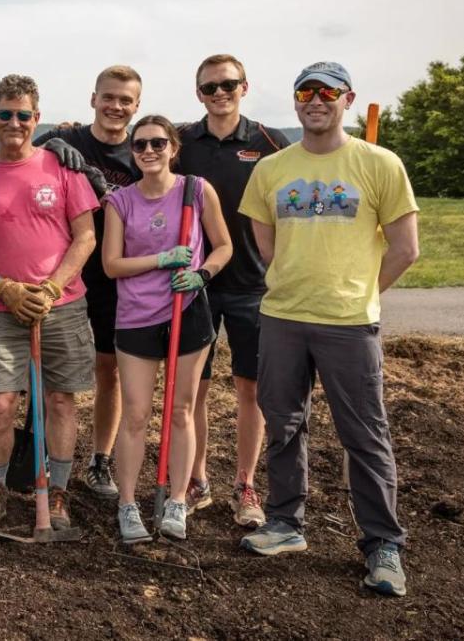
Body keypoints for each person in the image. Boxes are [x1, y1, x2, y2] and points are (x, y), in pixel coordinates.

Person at [238, 62, 419, 598]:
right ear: (295, 101)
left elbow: (406, 249)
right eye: (305, 92)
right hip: (283, 318)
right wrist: (297, 282)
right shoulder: (271, 169)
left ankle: (383, 543)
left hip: (348, 324)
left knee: (364, 435)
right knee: (283, 423)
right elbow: (266, 242)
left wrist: (360, 291)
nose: (315, 100)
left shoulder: (379, 163)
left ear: (348, 98)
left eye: (327, 92)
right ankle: (285, 524)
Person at [0, 74, 99, 531]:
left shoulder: (62, 169)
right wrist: (4, 288)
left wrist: (51, 287)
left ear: (37, 119)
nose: (13, 122)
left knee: (60, 401)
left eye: (23, 115)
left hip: (63, 306)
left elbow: (86, 237)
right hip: (4, 310)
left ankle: (56, 492)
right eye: (5, 114)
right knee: (0, 404)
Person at [102, 115, 232, 543]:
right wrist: (161, 260)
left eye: (158, 143)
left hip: (188, 310)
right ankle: (127, 503)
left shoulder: (196, 190)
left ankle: (177, 498)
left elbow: (224, 245)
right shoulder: (120, 201)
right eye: (140, 145)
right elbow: (111, 265)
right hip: (137, 316)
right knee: (136, 414)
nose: (149, 152)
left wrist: (202, 274)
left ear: (173, 148)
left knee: (181, 410)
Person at [177, 54, 288, 528]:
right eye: (209, 87)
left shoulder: (270, 142)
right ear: (198, 93)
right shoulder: (181, 141)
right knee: (193, 391)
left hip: (252, 285)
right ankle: (196, 479)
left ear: (245, 86)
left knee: (251, 388)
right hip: (195, 285)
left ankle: (245, 485)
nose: (219, 94)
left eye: (228, 85)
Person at [34, 65, 143, 498]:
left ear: (136, 106)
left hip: (119, 277)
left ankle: (100, 460)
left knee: (108, 371)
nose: (116, 106)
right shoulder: (70, 141)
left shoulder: (144, 150)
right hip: (65, 271)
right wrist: (50, 141)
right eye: (108, 97)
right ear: (93, 99)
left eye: (125, 100)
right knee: (52, 374)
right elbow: (24, 159)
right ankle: (43, 452)